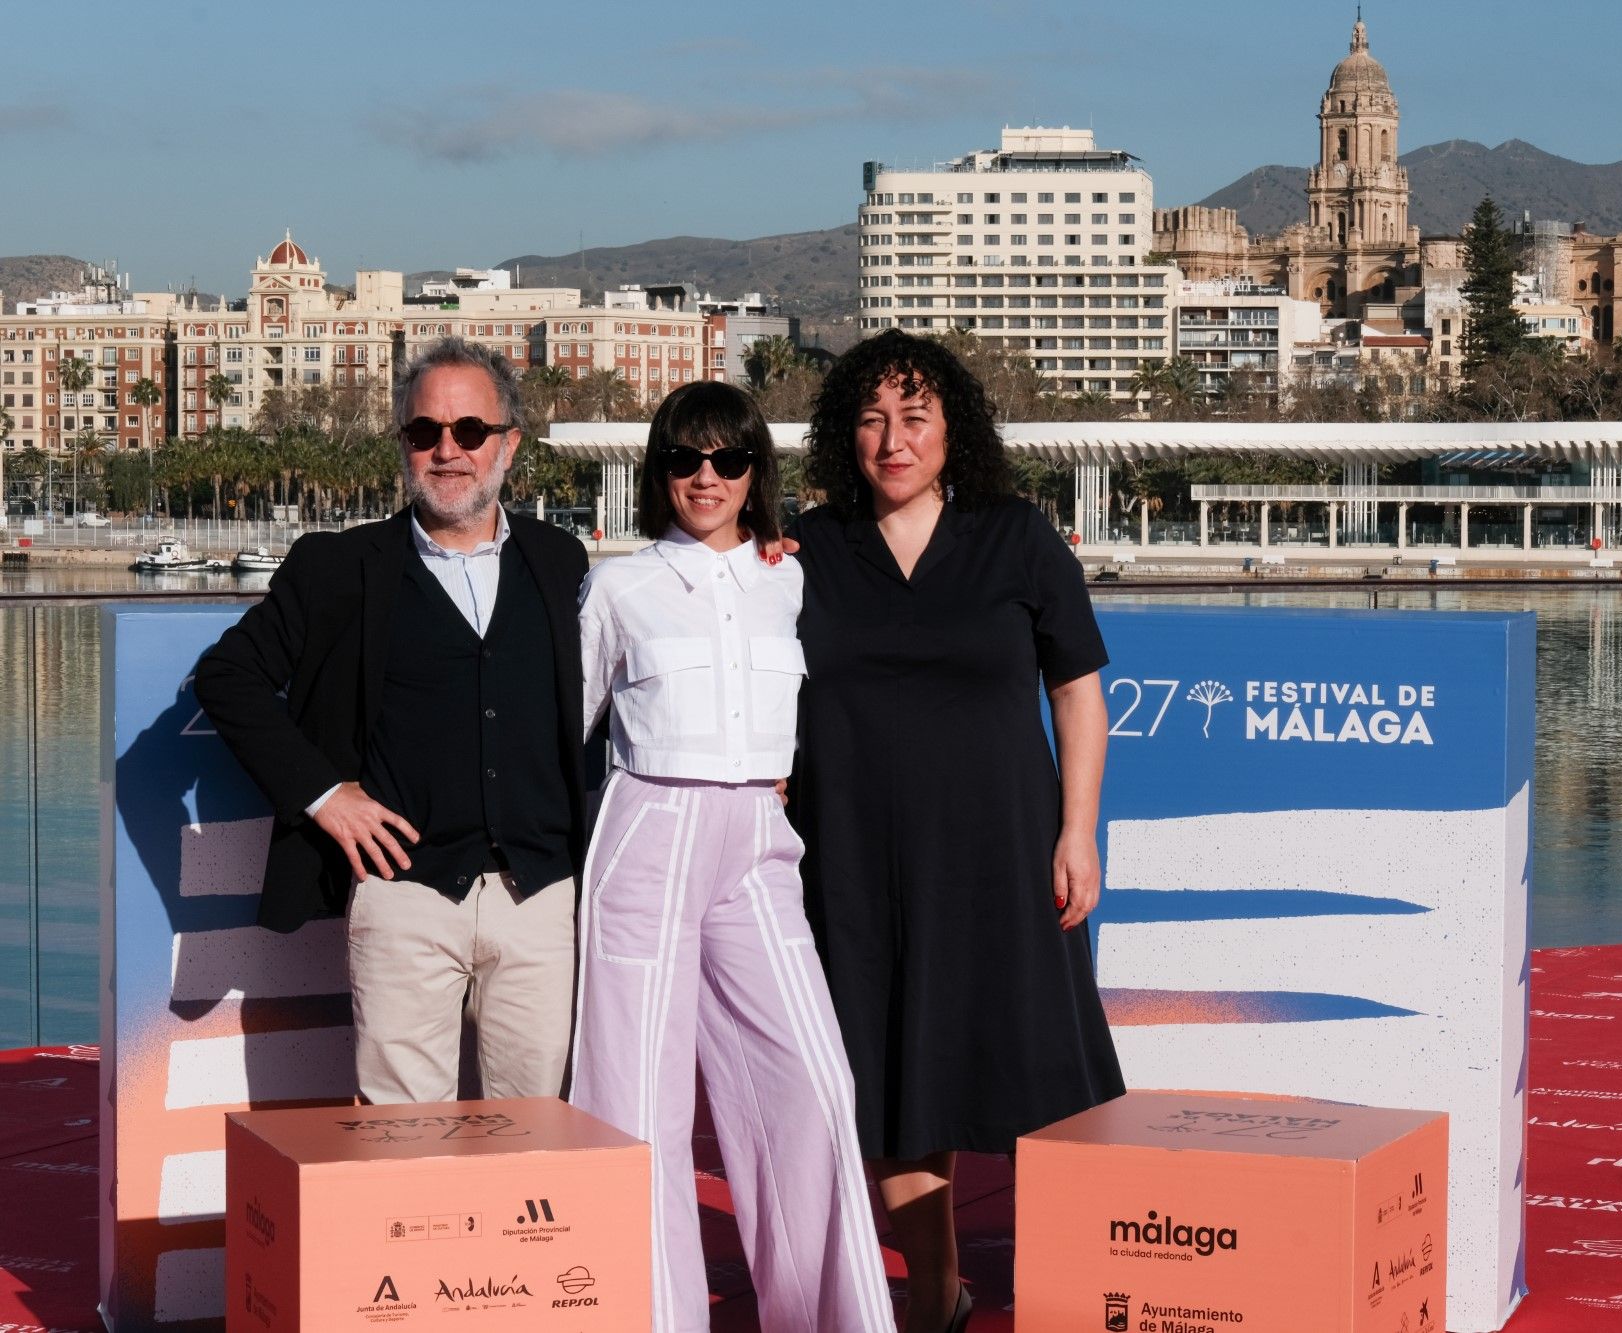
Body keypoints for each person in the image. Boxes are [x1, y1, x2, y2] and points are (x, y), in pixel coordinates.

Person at [791, 331, 1124, 1333]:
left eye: (914, 416)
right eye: (870, 417)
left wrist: (1077, 832)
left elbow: (1076, 692)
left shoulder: (1015, 535)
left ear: (953, 429)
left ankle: (1076, 1283)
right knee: (898, 1088)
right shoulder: (805, 548)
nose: (891, 439)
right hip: (853, 862)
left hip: (999, 856)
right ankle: (933, 1296)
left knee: (1038, 1075)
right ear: (843, 432)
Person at [569, 382, 893, 1333]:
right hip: (647, 831)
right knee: (636, 1105)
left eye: (727, 459)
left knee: (815, 1080)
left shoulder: (793, 575)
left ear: (757, 470)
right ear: (658, 472)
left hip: (760, 841)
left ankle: (829, 1318)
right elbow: (571, 730)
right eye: (683, 459)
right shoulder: (619, 583)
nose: (704, 477)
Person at [193, 337, 589, 1105]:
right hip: (403, 897)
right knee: (402, 1153)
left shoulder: (560, 560)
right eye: (424, 433)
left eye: (470, 431)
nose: (448, 451)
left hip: (542, 899)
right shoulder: (338, 570)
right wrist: (322, 793)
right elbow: (227, 676)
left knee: (538, 1138)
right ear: (403, 445)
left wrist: (765, 547)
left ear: (508, 443)